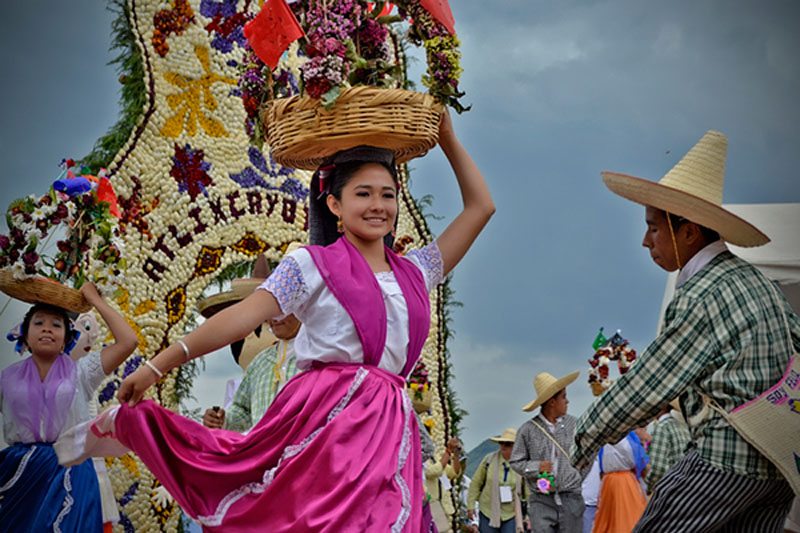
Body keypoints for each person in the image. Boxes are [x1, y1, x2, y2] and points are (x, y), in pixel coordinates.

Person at [56, 110, 495, 532]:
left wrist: (448, 141)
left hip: (390, 430)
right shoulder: (310, 264)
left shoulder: (416, 271)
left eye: (388, 194)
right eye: (363, 193)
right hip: (329, 428)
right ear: (334, 204)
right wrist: (157, 365)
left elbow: (481, 208)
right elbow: (241, 317)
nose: (378, 205)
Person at [572, 130, 800, 531]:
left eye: (655, 228)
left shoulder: (701, 292)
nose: (646, 241)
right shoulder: (758, 281)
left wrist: (580, 440)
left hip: (727, 458)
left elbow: (649, 383)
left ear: (689, 232)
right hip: (779, 465)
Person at [0, 282, 137, 532]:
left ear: (66, 338)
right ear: (25, 335)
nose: (47, 329)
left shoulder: (82, 372)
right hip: (23, 477)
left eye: (56, 324)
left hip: (72, 473)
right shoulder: (5, 378)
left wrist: (94, 300)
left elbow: (128, 342)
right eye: (38, 323)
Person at [511, 371, 585, 533]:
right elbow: (516, 462)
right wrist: (537, 467)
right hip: (541, 499)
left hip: (571, 498)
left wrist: (576, 478)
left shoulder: (575, 425)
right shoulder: (527, 430)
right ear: (552, 402)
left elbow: (587, 455)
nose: (567, 401)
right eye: (564, 397)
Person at [203, 313, 301, 433]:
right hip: (264, 448)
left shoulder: (319, 358)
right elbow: (243, 410)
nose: (274, 318)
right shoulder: (260, 362)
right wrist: (223, 420)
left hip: (308, 448)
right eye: (271, 312)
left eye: (281, 311)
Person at [468, 428, 528, 533]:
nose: (503, 446)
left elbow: (529, 492)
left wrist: (529, 516)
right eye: (501, 443)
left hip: (512, 513)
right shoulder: (489, 460)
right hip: (488, 511)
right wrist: (471, 505)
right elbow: (476, 483)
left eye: (508, 444)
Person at [591, 430, 649, 533]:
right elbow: (641, 462)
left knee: (607, 523)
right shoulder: (629, 436)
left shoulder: (604, 434)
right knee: (629, 521)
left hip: (608, 481)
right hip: (626, 483)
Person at [644, 400, 689, 494]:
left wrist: (649, 486)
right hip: (684, 488)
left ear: (663, 408)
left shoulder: (662, 427)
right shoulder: (682, 426)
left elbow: (658, 468)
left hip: (669, 490)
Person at [426, 436, 463, 533]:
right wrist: (448, 450)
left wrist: (456, 455)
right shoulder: (419, 458)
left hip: (441, 503)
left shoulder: (434, 457)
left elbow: (453, 472)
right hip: (430, 505)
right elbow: (435, 471)